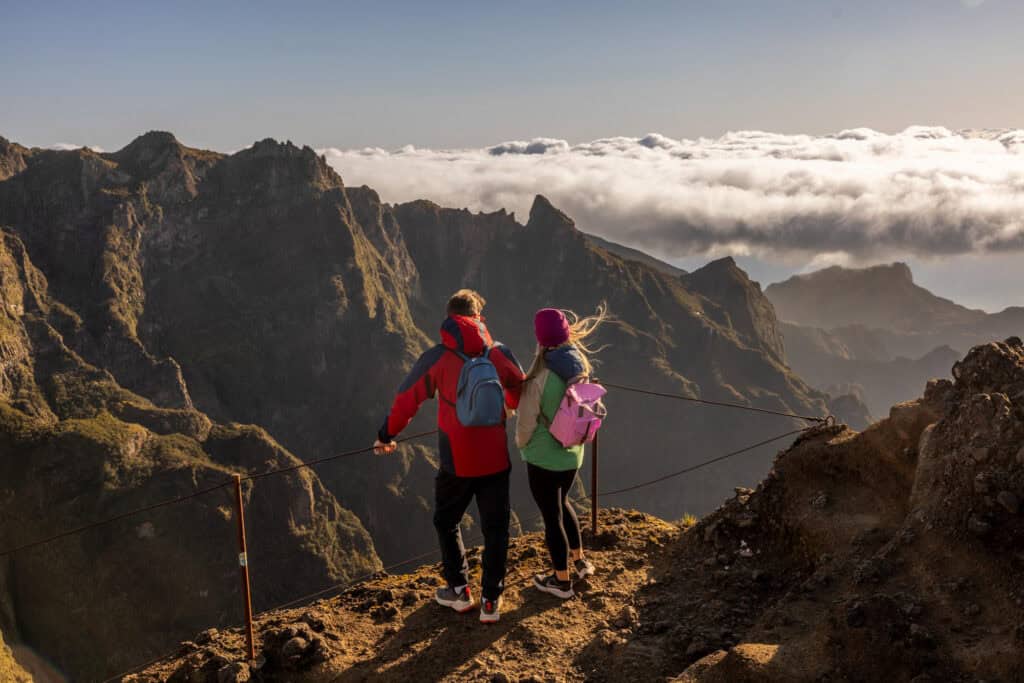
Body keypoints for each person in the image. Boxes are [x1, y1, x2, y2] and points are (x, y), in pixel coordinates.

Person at [374, 289, 524, 624]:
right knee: (496, 528)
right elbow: (518, 385)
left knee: (446, 520)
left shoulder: (438, 357)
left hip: (456, 461)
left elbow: (406, 399)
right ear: (479, 318)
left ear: (449, 320)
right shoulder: (498, 353)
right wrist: (509, 406)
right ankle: (491, 602)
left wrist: (386, 435)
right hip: (496, 459)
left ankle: (458, 590)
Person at [515, 305, 607, 599]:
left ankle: (561, 581)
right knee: (563, 502)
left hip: (543, 456)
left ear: (540, 339)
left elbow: (526, 423)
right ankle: (579, 562)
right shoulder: (579, 366)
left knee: (551, 516)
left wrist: (521, 445)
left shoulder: (539, 377)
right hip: (573, 453)